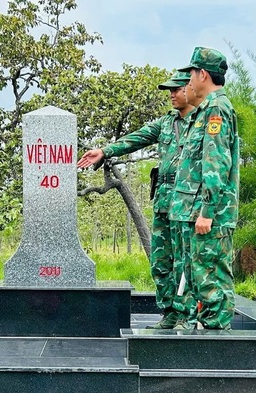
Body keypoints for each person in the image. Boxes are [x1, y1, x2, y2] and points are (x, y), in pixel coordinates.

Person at [77, 70, 199, 329]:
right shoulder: (166, 123)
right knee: (161, 260)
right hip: (164, 201)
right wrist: (104, 151)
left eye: (176, 89)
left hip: (188, 202)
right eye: (169, 90)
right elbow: (137, 138)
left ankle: (186, 316)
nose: (172, 95)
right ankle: (169, 314)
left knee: (185, 261)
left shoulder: (200, 122)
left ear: (189, 89)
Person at [170, 47, 240, 330]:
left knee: (212, 281)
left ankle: (218, 349)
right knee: (202, 277)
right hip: (202, 211)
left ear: (202, 74)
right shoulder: (207, 109)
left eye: (191, 75)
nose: (188, 81)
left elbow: (216, 164)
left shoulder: (216, 109)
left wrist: (207, 211)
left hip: (211, 215)